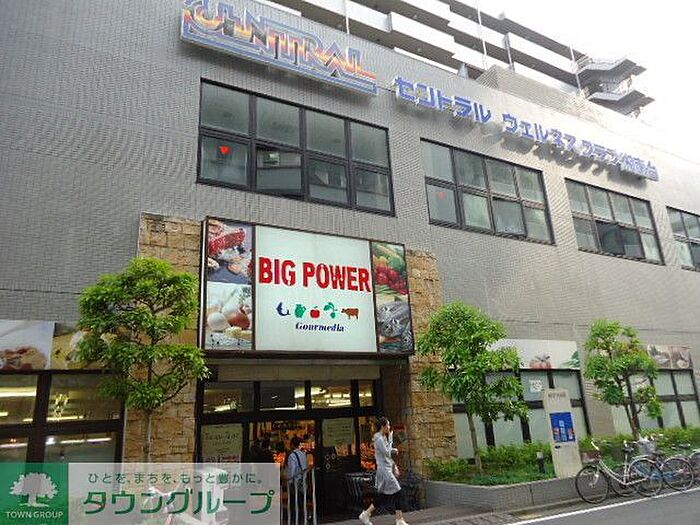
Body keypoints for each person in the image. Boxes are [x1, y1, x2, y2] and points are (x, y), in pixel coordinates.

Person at [359, 417, 409, 525]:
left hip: (385, 470)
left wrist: (394, 465)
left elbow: (386, 453)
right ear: (383, 426)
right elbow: (386, 453)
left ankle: (366, 514)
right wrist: (392, 443)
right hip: (384, 471)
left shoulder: (382, 438)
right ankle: (399, 519)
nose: (389, 427)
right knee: (398, 492)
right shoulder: (379, 439)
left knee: (384, 496)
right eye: (388, 425)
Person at [286, 437, 308, 524]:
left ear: (292, 445)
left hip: (295, 483)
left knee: (294, 503)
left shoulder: (292, 456)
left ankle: (295, 520)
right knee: (301, 503)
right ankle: (302, 519)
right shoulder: (303, 454)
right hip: (303, 482)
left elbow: (291, 471)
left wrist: (288, 481)